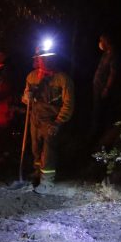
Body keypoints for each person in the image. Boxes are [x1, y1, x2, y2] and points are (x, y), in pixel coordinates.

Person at [23, 48, 74, 191]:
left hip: (52, 120)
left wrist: (58, 123)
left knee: (49, 150)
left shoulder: (63, 79)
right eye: (42, 58)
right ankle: (37, 174)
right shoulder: (32, 77)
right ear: (37, 60)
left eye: (49, 57)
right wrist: (27, 97)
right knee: (36, 149)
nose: (45, 60)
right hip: (35, 119)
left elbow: (68, 104)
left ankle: (47, 181)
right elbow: (25, 99)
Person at [90, 34, 119, 144]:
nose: (100, 43)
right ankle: (96, 134)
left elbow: (113, 73)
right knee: (96, 111)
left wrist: (106, 88)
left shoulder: (113, 55)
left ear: (107, 41)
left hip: (103, 89)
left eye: (101, 40)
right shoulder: (105, 54)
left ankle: (102, 136)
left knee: (102, 111)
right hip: (98, 88)